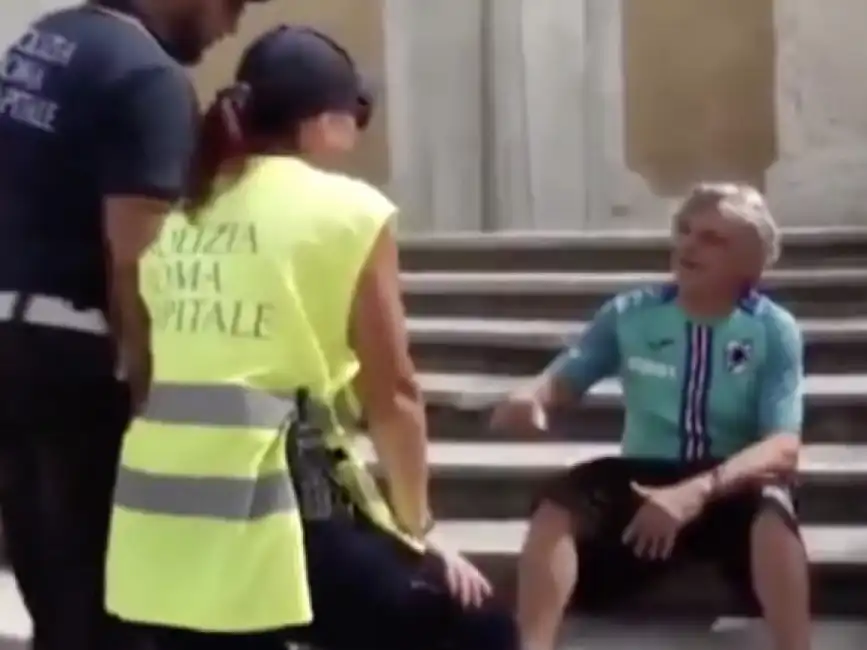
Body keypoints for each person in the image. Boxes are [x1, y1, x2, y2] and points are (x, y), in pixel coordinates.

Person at [105, 24, 519, 650]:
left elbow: (144, 357)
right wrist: (418, 530)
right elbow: (396, 393)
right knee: (477, 624)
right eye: (358, 114)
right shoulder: (346, 210)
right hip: (272, 509)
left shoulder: (182, 214)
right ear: (325, 119)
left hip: (159, 528)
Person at [0, 1, 264, 648]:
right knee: (103, 607)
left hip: (12, 343)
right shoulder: (148, 76)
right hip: (74, 362)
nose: (231, 25)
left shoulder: (43, 40)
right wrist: (155, 400)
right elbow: (139, 263)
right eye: (230, 4)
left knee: (55, 590)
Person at [491, 183, 810, 650]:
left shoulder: (772, 328)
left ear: (749, 261)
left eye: (711, 238)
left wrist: (692, 494)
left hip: (729, 478)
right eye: (684, 231)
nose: (688, 246)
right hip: (643, 476)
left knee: (772, 512)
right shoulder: (630, 313)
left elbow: (784, 445)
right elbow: (567, 376)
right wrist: (532, 398)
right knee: (559, 503)